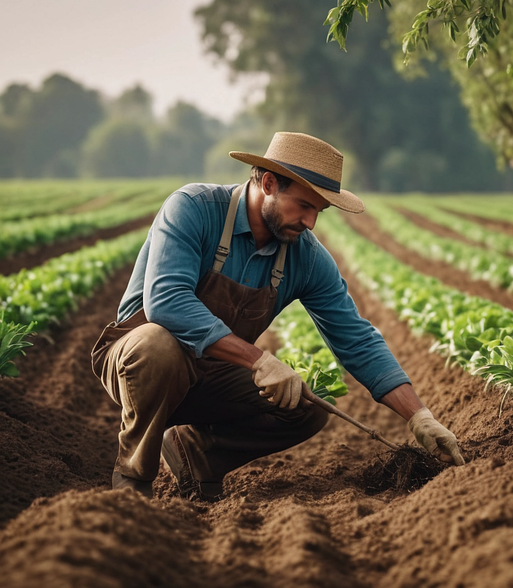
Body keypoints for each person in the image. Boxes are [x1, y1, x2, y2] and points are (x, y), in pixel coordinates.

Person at [91, 131, 464, 500]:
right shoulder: (194, 207)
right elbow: (167, 300)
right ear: (268, 183)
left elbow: (356, 338)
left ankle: (195, 453)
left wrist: (419, 416)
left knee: (306, 406)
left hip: (211, 374)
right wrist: (257, 359)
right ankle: (133, 480)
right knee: (159, 345)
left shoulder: (305, 256)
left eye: (319, 211)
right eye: (304, 205)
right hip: (137, 363)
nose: (311, 222)